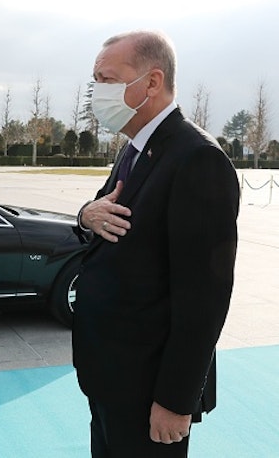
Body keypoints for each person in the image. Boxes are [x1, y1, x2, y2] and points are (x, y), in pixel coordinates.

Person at [73, 30, 239, 457]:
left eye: (107, 79)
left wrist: (175, 401)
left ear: (151, 82)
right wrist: (85, 215)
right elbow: (106, 212)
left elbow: (204, 296)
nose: (97, 91)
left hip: (149, 391)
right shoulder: (133, 149)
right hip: (111, 377)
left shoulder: (196, 158)